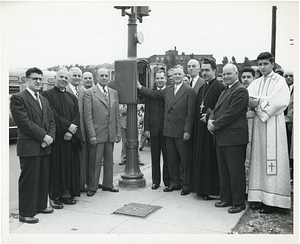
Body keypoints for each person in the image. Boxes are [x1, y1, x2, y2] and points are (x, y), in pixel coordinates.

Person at [137, 65, 196, 196]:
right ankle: (175, 183)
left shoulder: (189, 91)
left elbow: (190, 114)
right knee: (172, 159)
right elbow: (153, 94)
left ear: (183, 75)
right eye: (175, 75)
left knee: (184, 159)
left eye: (179, 74)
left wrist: (187, 130)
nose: (177, 77)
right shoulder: (168, 90)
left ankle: (186, 184)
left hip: (180, 131)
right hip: (168, 131)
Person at [247, 52, 291, 213]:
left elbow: (280, 101)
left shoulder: (279, 81)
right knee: (258, 159)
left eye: (265, 64)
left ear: (272, 64)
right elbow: (249, 99)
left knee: (274, 160)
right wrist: (262, 101)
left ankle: (273, 200)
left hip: (274, 123)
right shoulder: (256, 82)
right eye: (260, 64)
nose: (262, 67)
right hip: (259, 125)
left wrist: (259, 102)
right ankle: (258, 197)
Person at [10, 67, 56, 224]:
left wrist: (50, 136)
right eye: (34, 78)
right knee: (29, 179)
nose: (38, 81)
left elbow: (51, 120)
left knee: (43, 177)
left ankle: (41, 205)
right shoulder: (18, 98)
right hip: (30, 146)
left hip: (44, 145)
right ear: (26, 80)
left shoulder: (43, 99)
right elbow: (24, 123)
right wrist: (44, 136)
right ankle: (26, 212)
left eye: (40, 79)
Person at [208, 64, 249, 214]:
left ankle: (238, 203)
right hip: (223, 137)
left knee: (235, 171)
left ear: (236, 74)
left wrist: (215, 125)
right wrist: (211, 120)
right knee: (224, 170)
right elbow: (217, 109)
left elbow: (232, 113)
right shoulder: (226, 90)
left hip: (234, 138)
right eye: (224, 74)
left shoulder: (241, 91)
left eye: (229, 74)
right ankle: (226, 198)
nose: (225, 77)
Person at [42, 67, 83, 209]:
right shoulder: (46, 95)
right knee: (56, 168)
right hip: (58, 139)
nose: (63, 80)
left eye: (66, 78)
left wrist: (71, 131)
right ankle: (54, 197)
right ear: (55, 78)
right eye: (61, 77)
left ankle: (66, 195)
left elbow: (77, 115)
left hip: (70, 139)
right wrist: (68, 127)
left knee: (69, 168)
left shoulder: (72, 97)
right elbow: (52, 114)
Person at [83, 67, 121, 196]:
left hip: (110, 133)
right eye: (102, 76)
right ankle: (92, 187)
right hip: (97, 133)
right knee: (95, 161)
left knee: (109, 161)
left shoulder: (113, 93)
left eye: (106, 76)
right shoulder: (89, 93)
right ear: (97, 77)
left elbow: (117, 115)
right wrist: (91, 134)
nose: (104, 78)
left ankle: (108, 184)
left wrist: (118, 132)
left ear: (109, 78)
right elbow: (87, 116)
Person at [192, 58, 226, 200]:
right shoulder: (202, 88)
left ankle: (211, 190)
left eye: (207, 70)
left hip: (212, 130)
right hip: (201, 130)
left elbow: (222, 109)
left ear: (214, 71)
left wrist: (209, 116)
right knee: (201, 157)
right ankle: (201, 188)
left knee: (210, 159)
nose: (204, 73)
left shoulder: (220, 87)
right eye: (203, 70)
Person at [144, 70, 170, 190]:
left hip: (166, 129)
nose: (159, 80)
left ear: (165, 79)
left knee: (167, 157)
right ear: (155, 80)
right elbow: (147, 112)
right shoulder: (151, 94)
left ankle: (167, 181)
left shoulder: (169, 91)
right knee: (155, 157)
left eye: (161, 78)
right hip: (154, 129)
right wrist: (146, 128)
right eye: (157, 78)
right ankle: (155, 181)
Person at [66, 67, 88, 192]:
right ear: (70, 77)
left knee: (81, 160)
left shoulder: (83, 91)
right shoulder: (66, 90)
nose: (77, 78)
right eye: (75, 75)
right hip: (70, 130)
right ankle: (70, 188)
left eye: (79, 76)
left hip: (82, 131)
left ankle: (80, 186)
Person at [240, 67, 256, 195]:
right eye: (243, 77)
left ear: (254, 77)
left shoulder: (256, 90)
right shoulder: (239, 90)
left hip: (255, 125)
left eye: (248, 77)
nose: (246, 80)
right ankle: (244, 188)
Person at [284, 70, 294, 181]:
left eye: (291, 76)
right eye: (286, 76)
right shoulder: (285, 89)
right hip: (285, 122)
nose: (288, 78)